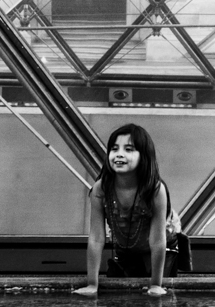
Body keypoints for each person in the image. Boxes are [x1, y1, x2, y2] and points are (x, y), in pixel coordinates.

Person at [75, 123, 176, 297]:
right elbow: (96, 238)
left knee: (156, 304)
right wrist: (92, 284)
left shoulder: (155, 190)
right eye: (114, 149)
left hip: (161, 255)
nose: (119, 154)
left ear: (144, 156)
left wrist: (156, 285)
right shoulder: (101, 189)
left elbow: (157, 241)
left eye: (129, 149)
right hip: (125, 253)